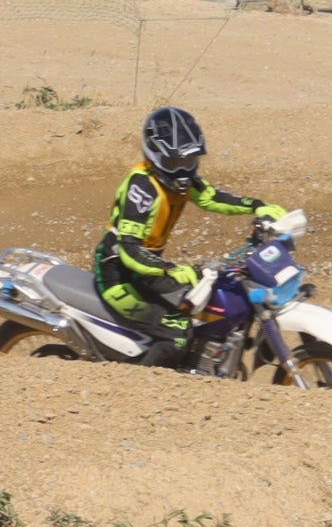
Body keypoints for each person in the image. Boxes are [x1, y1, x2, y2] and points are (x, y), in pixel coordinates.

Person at [93, 106, 285, 367]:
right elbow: (129, 249)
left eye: (189, 161)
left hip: (148, 272)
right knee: (178, 332)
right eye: (174, 163)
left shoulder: (182, 180)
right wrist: (170, 269)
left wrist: (258, 207)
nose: (183, 171)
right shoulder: (143, 187)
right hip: (118, 277)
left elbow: (211, 198)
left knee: (205, 306)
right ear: (155, 154)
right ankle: (137, 387)